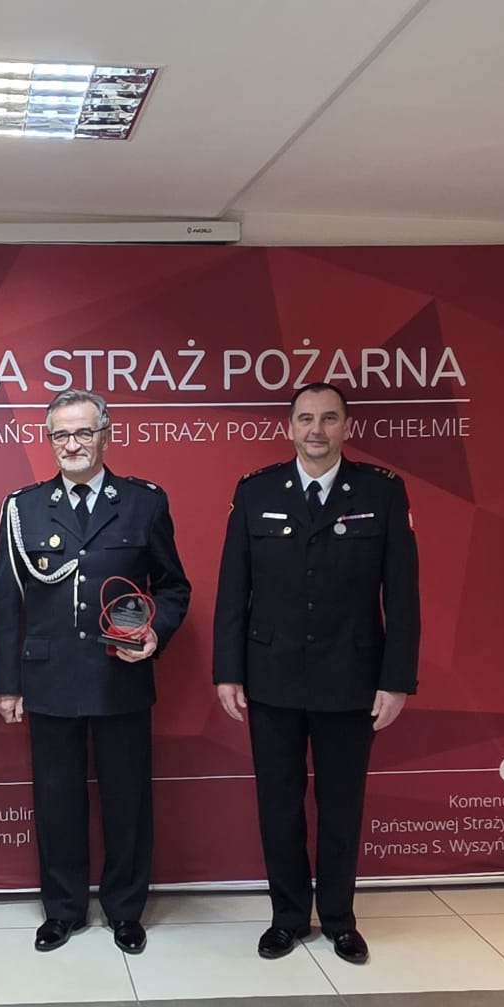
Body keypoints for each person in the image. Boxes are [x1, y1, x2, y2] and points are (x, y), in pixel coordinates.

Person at [213, 382, 419, 965]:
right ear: (290, 428)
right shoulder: (255, 491)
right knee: (278, 804)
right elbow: (233, 589)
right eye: (306, 418)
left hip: (350, 676)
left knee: (341, 805)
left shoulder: (381, 491)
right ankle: (286, 917)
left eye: (329, 419)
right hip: (271, 675)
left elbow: (403, 595)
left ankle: (338, 918)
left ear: (346, 427)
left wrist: (396, 678)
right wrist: (227, 670)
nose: (316, 430)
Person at [0, 388, 191, 953]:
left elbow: (173, 587)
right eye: (61, 434)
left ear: (106, 434)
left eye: (83, 432)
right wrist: (6, 684)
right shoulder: (23, 508)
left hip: (119, 675)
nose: (72, 444)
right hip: (49, 678)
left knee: (127, 801)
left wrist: (154, 632)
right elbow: (6, 603)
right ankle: (64, 910)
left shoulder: (143, 503)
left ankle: (125, 910)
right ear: (49, 440)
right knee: (56, 801)